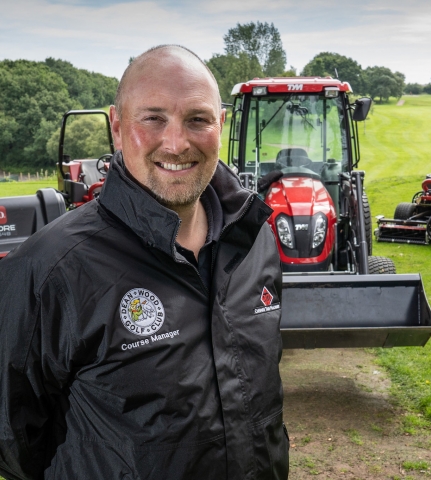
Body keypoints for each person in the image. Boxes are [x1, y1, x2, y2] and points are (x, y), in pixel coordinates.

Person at [0, 45, 289, 479]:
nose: (176, 143)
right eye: (153, 118)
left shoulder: (254, 240)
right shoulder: (49, 270)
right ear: (117, 127)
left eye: (198, 119)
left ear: (221, 124)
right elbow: (13, 441)